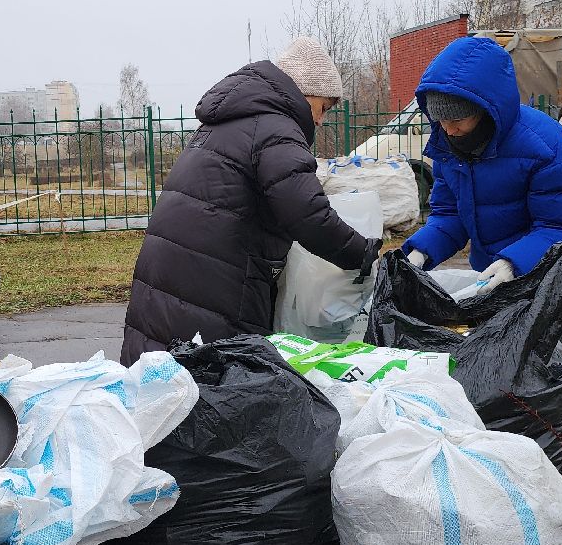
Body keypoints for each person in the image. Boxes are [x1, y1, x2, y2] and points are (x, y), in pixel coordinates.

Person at [121, 37, 381, 364]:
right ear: (304, 91)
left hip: (173, 272)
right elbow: (306, 213)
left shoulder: (228, 121)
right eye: (323, 107)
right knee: (215, 386)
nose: (320, 120)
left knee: (158, 381)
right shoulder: (277, 127)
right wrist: (363, 253)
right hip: (216, 283)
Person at [400, 36, 562, 359]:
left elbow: (561, 228)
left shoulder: (545, 146)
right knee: (501, 362)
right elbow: (449, 214)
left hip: (560, 269)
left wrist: (513, 263)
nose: (448, 130)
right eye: (440, 120)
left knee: (549, 363)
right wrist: (419, 253)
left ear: (485, 111)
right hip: (496, 270)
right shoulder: (447, 148)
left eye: (457, 120)